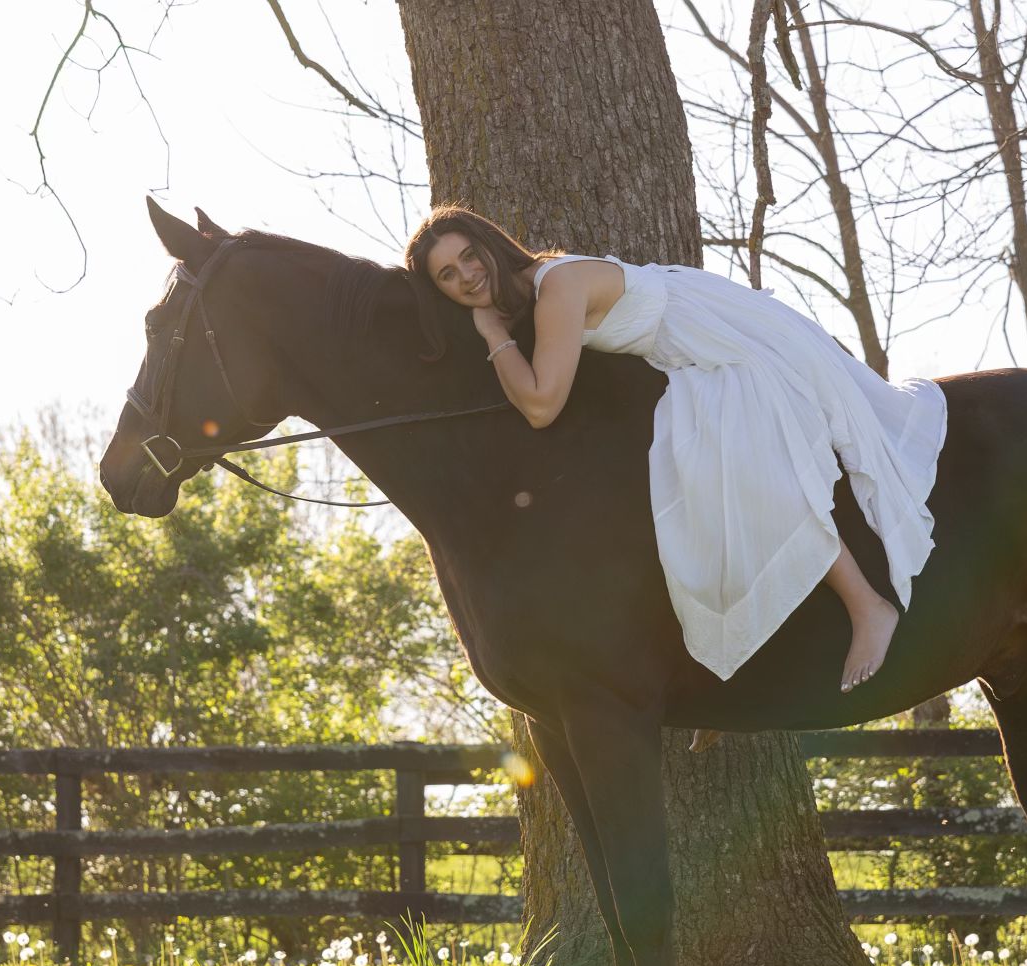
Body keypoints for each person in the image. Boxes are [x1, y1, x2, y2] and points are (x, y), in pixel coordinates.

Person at [403, 207, 946, 742]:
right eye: (447, 276)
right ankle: (744, 643)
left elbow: (542, 405)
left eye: (469, 257)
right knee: (693, 484)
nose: (466, 277)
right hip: (692, 350)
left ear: (489, 245)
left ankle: (867, 605)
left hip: (728, 349)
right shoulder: (537, 293)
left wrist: (491, 332)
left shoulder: (556, 289)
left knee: (742, 469)